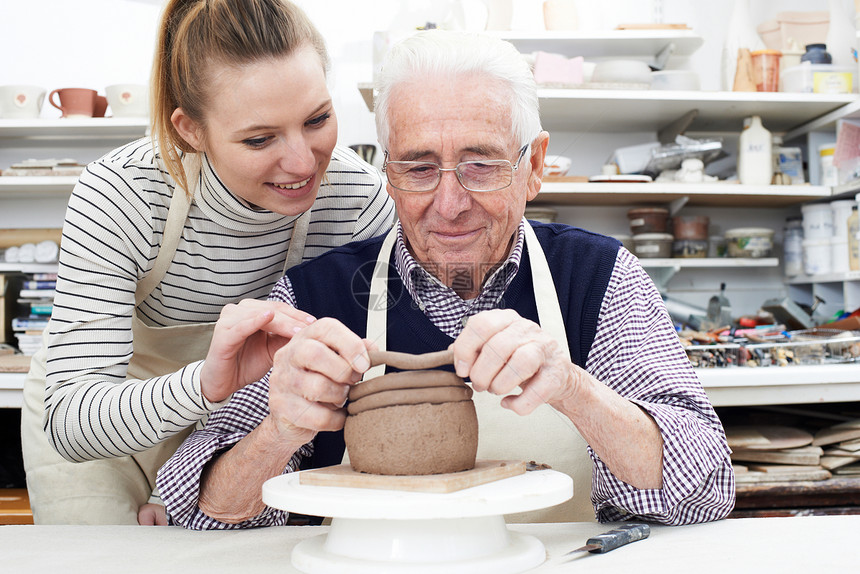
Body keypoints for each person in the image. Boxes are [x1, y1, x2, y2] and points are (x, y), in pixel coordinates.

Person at [158, 29, 735, 529]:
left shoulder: (600, 278)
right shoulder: (315, 297)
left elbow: (705, 491)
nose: (450, 203)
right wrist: (278, 432)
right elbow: (195, 510)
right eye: (419, 167)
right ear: (388, 174)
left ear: (533, 167)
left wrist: (574, 390)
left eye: (480, 164)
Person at [20, 0, 396, 526]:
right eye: (259, 138)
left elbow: (372, 373)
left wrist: (198, 480)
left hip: (244, 432)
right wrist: (204, 386)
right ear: (190, 130)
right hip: (105, 435)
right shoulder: (121, 194)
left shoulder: (356, 201)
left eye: (317, 120)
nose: (302, 161)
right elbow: (72, 421)